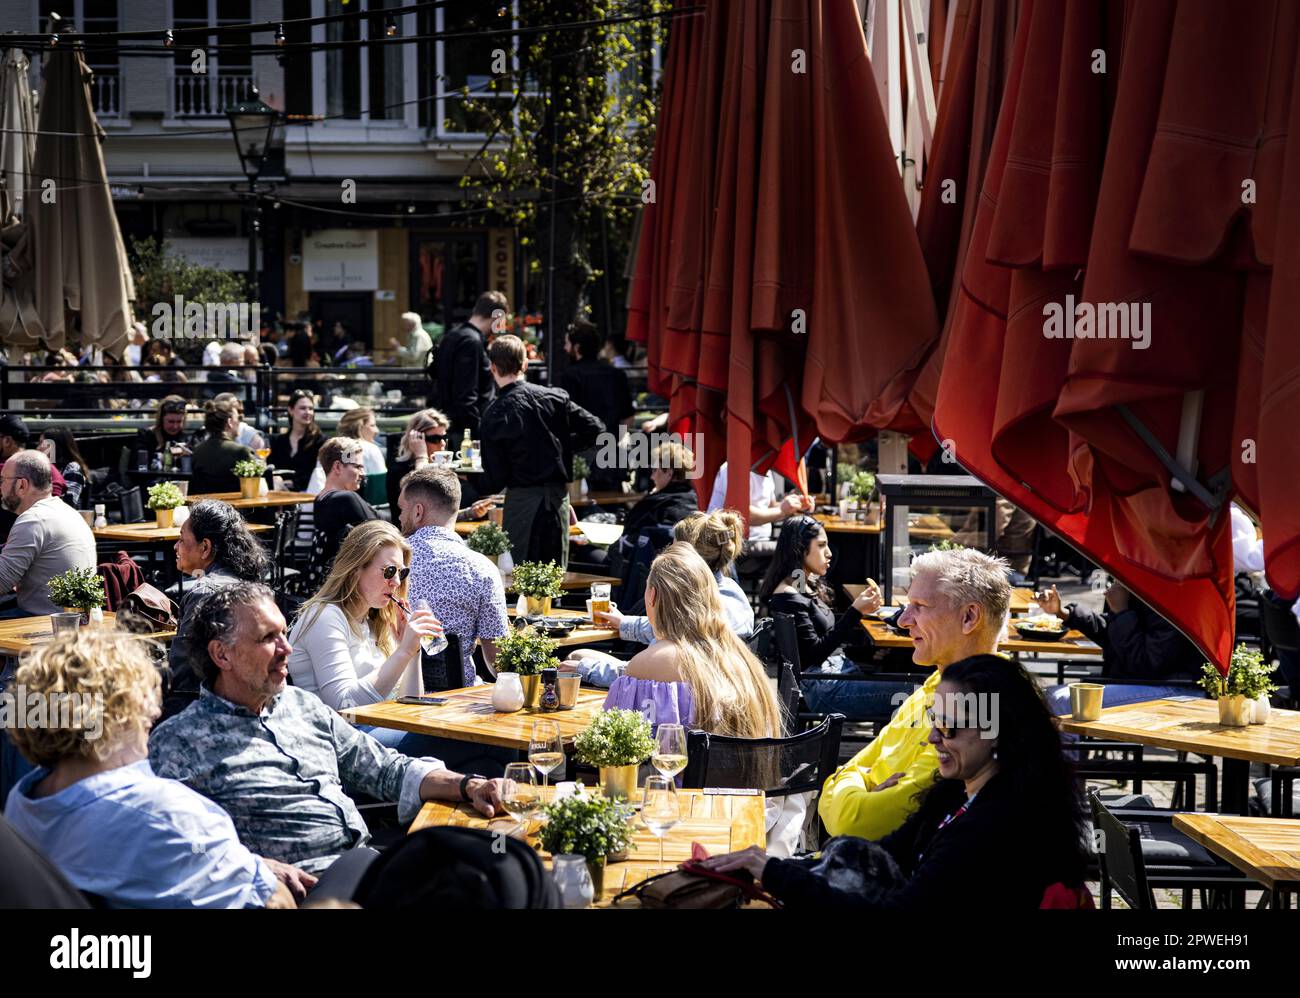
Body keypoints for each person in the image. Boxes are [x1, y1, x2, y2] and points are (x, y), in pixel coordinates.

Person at [148, 581, 508, 874]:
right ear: (221, 655)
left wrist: (468, 784)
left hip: (364, 864)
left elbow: (386, 768)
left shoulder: (303, 707)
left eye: (284, 634)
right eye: (267, 638)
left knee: (498, 866)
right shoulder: (179, 742)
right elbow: (169, 848)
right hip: (295, 887)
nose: (287, 648)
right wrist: (257, 869)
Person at [699, 654, 1090, 909]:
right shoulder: (961, 793)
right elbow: (886, 853)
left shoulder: (997, 824)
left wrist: (774, 872)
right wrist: (780, 866)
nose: (934, 738)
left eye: (950, 728)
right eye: (934, 723)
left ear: (997, 732)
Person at [2, 629, 302, 908]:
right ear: (117, 712)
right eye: (143, 694)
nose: (155, 710)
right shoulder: (165, 814)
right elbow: (272, 899)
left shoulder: (23, 803)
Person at [817, 548, 1010, 841]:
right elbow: (847, 774)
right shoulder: (938, 683)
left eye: (919, 605)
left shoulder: (978, 708)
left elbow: (854, 823)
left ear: (970, 617)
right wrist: (857, 789)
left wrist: (854, 789)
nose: (904, 620)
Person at [286, 522, 443, 751]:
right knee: (461, 740)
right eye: (389, 571)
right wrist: (402, 652)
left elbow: (411, 706)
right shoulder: (326, 616)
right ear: (355, 568)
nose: (397, 582)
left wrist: (412, 651)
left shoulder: (375, 620)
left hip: (376, 733)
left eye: (402, 573)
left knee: (488, 753)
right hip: (339, 743)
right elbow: (345, 707)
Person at [601, 543, 783, 736]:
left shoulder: (650, 662)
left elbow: (617, 742)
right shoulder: (743, 660)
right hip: (748, 766)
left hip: (681, 766)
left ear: (652, 596)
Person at [567, 509, 754, 687]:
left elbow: (652, 671)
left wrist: (587, 670)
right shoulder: (727, 592)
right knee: (578, 657)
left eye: (673, 544)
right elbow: (670, 632)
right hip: (708, 688)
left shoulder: (696, 608)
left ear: (686, 557)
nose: (667, 549)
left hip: (675, 697)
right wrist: (624, 623)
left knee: (576, 659)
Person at [760, 515, 913, 720]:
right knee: (918, 691)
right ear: (799, 548)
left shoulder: (799, 582)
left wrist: (866, 653)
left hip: (836, 677)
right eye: (821, 545)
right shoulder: (788, 596)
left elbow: (822, 638)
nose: (829, 553)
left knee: (903, 672)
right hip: (827, 689)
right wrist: (855, 611)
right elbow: (814, 654)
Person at [479, 334, 605, 569]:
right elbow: (596, 429)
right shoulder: (554, 398)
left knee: (519, 578)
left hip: (523, 503)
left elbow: (493, 480)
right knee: (554, 577)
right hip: (556, 500)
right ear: (525, 364)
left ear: (492, 367)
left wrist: (468, 477)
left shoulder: (493, 415)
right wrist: (564, 449)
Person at [398, 466, 510, 687]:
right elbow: (499, 662)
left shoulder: (388, 562)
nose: (399, 517)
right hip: (458, 699)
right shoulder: (483, 568)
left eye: (402, 509)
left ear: (418, 511)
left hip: (391, 698)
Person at [168, 499, 271, 715]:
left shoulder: (203, 593)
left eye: (181, 539)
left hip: (202, 712)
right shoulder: (252, 586)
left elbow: (182, 674)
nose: (175, 546)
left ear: (204, 547)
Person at [1037, 582, 1205, 713]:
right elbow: (1112, 632)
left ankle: (1066, 757)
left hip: (1175, 687)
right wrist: (1063, 612)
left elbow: (1147, 664)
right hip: (1138, 679)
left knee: (1057, 703)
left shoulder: (1168, 592)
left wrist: (1121, 612)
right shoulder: (1140, 584)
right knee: (1046, 697)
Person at [0, 451, 97, 617]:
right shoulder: (69, 513)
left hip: (46, 623)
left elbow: (2, 582)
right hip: (80, 621)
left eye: (2, 480)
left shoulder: (33, 520)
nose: (0, 487)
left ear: (21, 485)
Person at [557, 319, 633, 492]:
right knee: (613, 513)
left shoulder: (570, 376)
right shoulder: (617, 374)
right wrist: (614, 441)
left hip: (582, 459)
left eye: (567, 344)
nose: (564, 348)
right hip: (611, 455)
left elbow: (564, 420)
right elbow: (628, 417)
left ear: (577, 348)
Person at [298, 437, 379, 594]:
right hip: (340, 593)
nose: (363, 474)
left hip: (321, 589)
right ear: (337, 466)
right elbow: (384, 531)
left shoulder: (320, 498)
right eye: (358, 467)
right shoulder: (345, 499)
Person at [429, 291, 499, 441]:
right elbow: (466, 394)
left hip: (449, 423)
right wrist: (477, 430)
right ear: (496, 316)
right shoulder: (471, 342)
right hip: (463, 431)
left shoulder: (452, 335)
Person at [707, 461, 812, 552]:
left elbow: (771, 506)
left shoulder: (766, 471)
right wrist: (782, 510)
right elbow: (741, 515)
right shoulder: (733, 468)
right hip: (730, 545)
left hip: (758, 542)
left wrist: (795, 505)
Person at [618, 440, 699, 540]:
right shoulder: (697, 502)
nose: (652, 477)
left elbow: (626, 536)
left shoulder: (652, 504)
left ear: (669, 473)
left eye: (655, 470)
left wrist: (650, 497)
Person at [309, 407, 387, 506]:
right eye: (372, 425)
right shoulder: (371, 449)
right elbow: (379, 495)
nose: (376, 430)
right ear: (359, 427)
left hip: (321, 507)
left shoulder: (327, 448)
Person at [118, 395, 192, 481]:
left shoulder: (187, 439)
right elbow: (137, 467)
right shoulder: (146, 436)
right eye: (171, 421)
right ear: (161, 419)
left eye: (179, 422)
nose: (175, 426)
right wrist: (162, 458)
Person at [189, 400, 255, 495]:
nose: (240, 422)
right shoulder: (242, 452)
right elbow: (253, 489)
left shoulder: (198, 451)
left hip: (206, 507)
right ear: (229, 422)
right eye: (238, 418)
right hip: (236, 508)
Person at [269, 389, 323, 491]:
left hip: (307, 494)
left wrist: (293, 483)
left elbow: (320, 473)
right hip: (278, 492)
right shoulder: (278, 441)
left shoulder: (320, 441)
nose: (308, 412)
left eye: (311, 409)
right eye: (303, 408)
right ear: (290, 410)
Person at [37, 429, 90, 510]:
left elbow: (70, 503)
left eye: (42, 443)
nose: (38, 448)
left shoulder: (72, 468)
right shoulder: (44, 468)